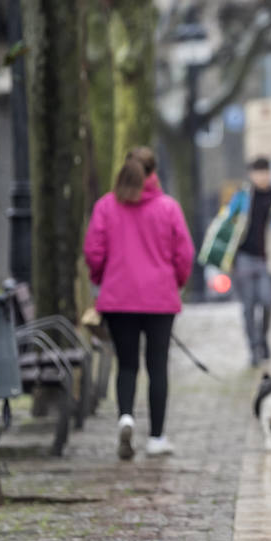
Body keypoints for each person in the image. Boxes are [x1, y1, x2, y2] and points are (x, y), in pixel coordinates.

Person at [83, 147, 195, 460]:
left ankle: (126, 418)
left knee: (127, 364)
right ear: (153, 172)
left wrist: (101, 278)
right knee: (157, 366)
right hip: (160, 300)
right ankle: (157, 437)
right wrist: (177, 283)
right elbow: (184, 254)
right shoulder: (168, 208)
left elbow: (93, 252)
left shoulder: (106, 206)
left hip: (118, 300)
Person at [228, 157, 271, 367]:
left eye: (265, 172)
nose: (261, 177)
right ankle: (254, 347)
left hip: (269, 260)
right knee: (248, 306)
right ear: (251, 174)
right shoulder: (242, 197)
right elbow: (228, 223)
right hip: (244, 258)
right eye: (257, 173)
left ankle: (263, 338)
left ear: (270, 173)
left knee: (267, 302)